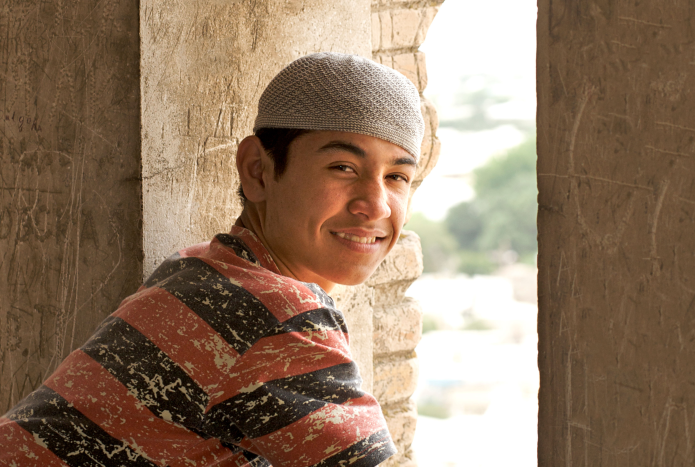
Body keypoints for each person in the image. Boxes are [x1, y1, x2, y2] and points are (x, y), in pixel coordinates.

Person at [0, 52, 424, 467]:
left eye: (396, 177)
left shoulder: (199, 267)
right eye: (343, 167)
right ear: (257, 170)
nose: (377, 206)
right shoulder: (277, 318)